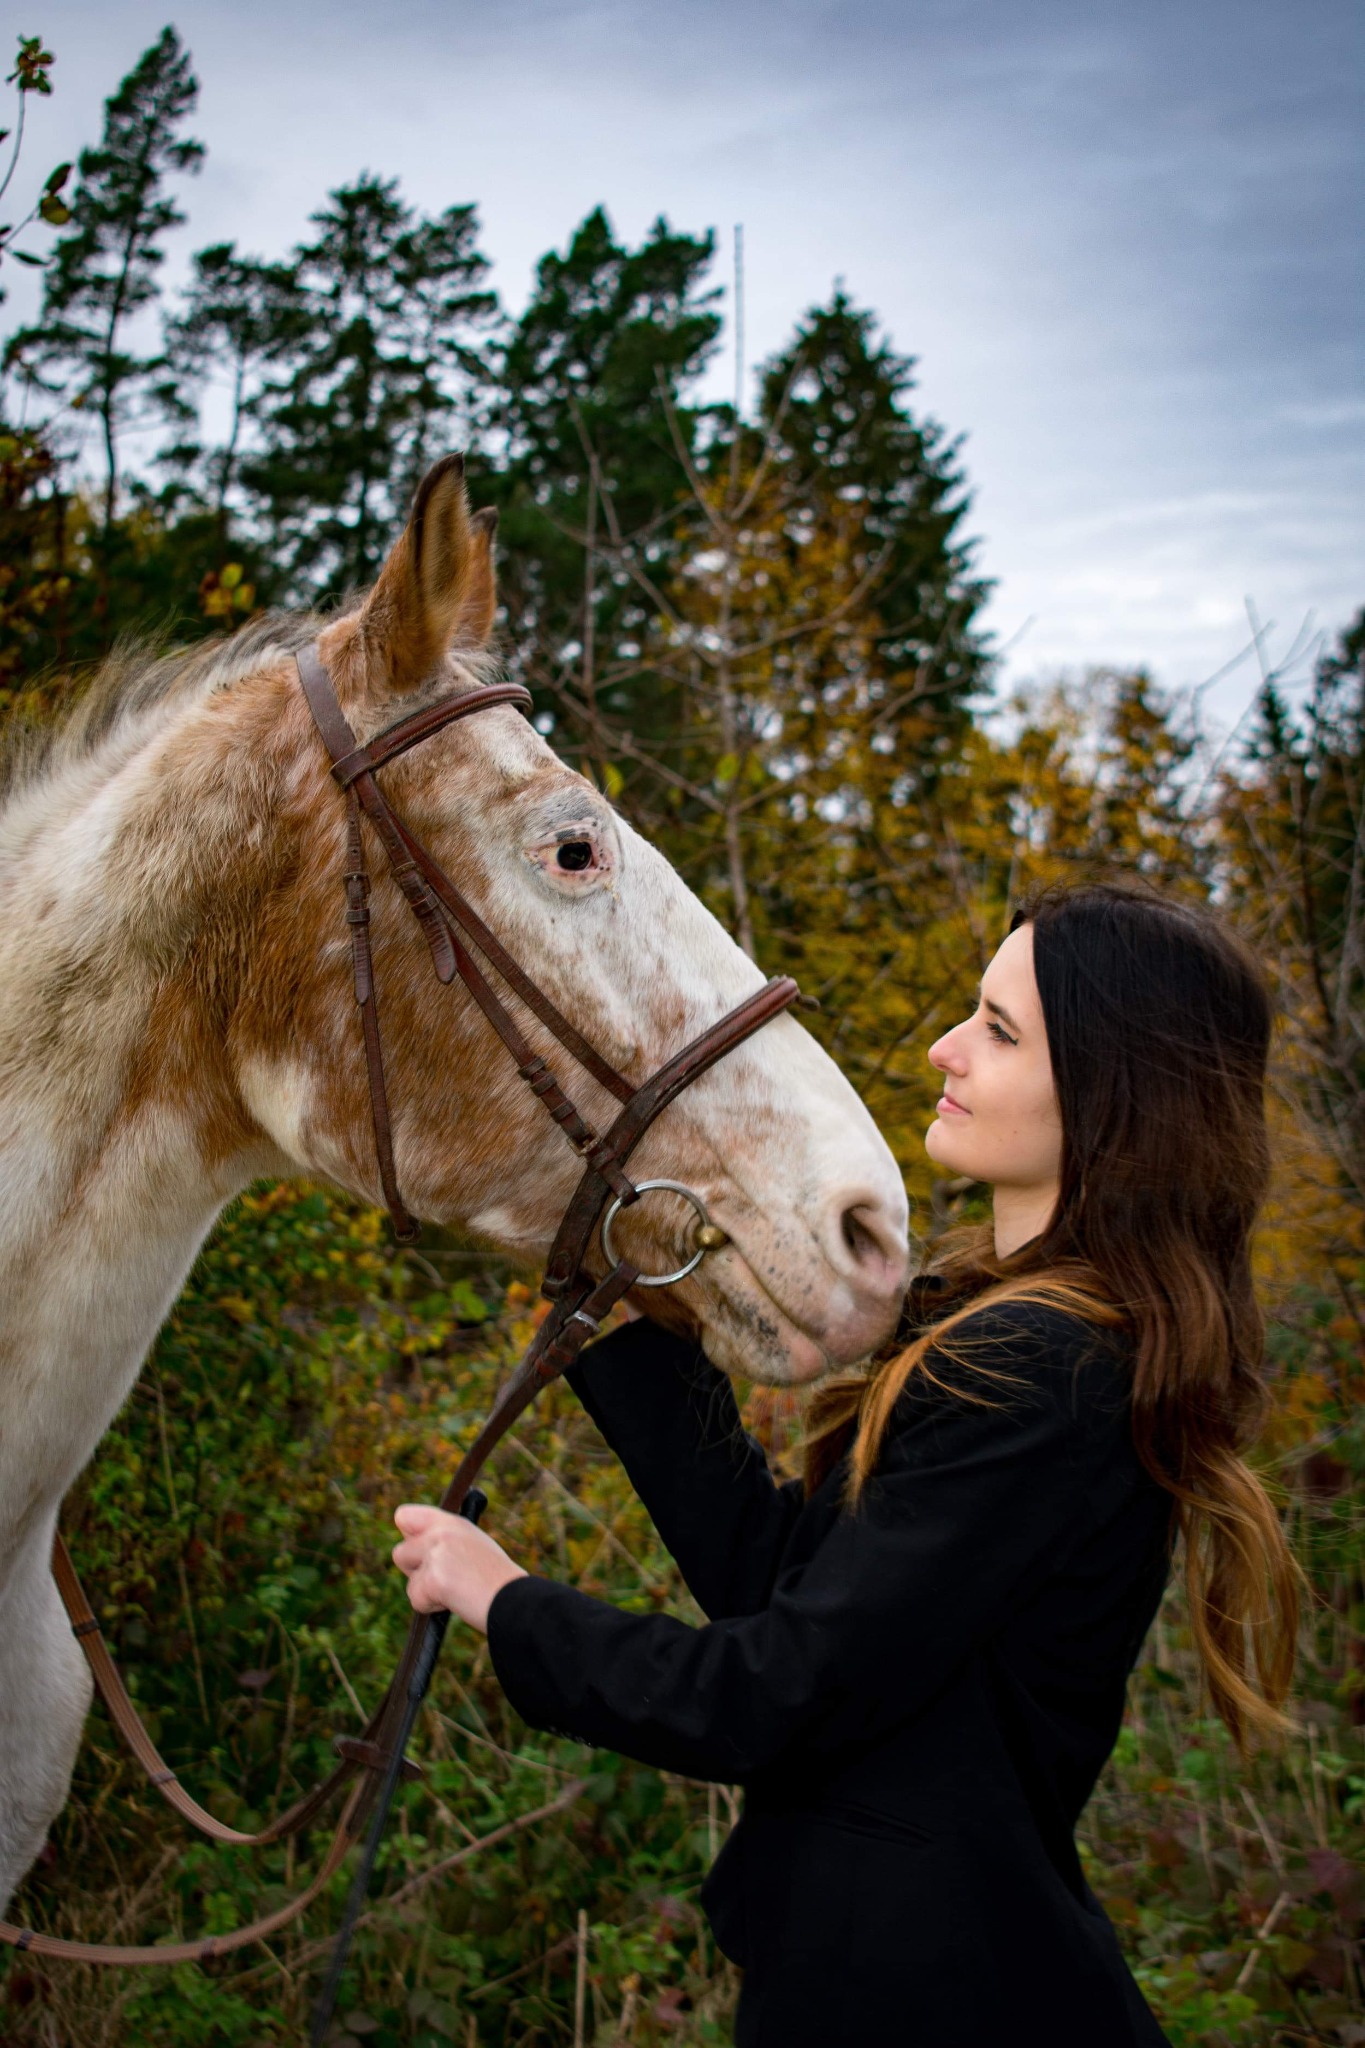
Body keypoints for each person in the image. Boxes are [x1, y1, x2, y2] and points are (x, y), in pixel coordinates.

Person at [392, 882, 1300, 2048]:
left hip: (936, 2001)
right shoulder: (1027, 1333)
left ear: (1115, 1088)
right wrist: (619, 1314)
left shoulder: (1045, 1360)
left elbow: (771, 1694)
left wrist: (507, 1601)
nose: (946, 1046)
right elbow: (799, 1592)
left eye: (999, 1029)